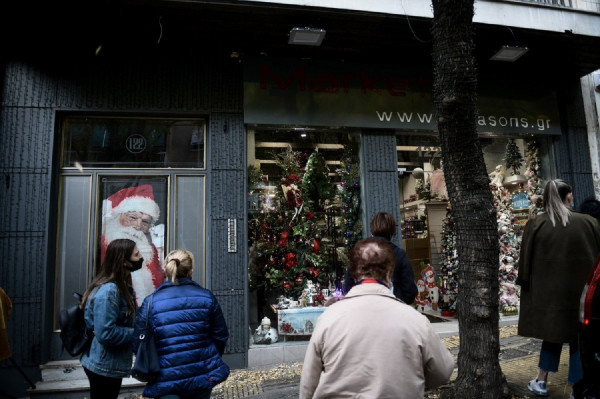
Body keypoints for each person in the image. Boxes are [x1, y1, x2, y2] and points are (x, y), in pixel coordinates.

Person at [300, 238, 455, 399]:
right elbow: (442, 372)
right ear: (389, 274)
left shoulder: (328, 318)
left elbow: (308, 384)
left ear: (353, 274)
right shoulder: (415, 320)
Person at [517, 179, 600, 397]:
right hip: (582, 294)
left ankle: (541, 381)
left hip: (548, 296)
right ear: (568, 196)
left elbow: (524, 264)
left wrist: (525, 285)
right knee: (578, 340)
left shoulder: (536, 224)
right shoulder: (589, 222)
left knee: (551, 336)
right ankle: (576, 388)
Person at [132, 248, 230, 399]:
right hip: (200, 374)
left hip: (165, 378)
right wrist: (208, 358)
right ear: (191, 271)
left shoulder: (151, 302)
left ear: (166, 270)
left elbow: (138, 342)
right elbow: (221, 335)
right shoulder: (206, 297)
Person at [80, 238, 140, 399]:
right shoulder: (109, 291)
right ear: (124, 261)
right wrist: (137, 333)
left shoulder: (121, 286)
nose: (141, 257)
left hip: (110, 364)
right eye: (136, 254)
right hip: (103, 365)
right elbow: (106, 333)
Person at [101, 184, 165, 306]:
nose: (138, 225)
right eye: (132, 217)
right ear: (118, 214)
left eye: (145, 221)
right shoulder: (105, 242)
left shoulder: (150, 250)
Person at [343, 212, 418, 304]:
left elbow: (348, 287)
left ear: (372, 229)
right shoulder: (399, 254)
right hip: (393, 307)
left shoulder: (360, 253)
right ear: (392, 231)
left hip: (362, 306)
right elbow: (409, 291)